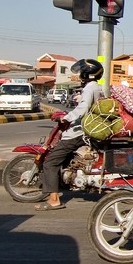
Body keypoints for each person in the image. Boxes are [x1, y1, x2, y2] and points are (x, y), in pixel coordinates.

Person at [34, 59, 104, 211]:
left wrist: (65, 118)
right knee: (63, 159)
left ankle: (54, 200)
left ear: (88, 73)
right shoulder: (96, 88)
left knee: (50, 163)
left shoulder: (89, 89)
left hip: (77, 133)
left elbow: (83, 110)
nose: (80, 75)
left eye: (82, 72)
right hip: (86, 129)